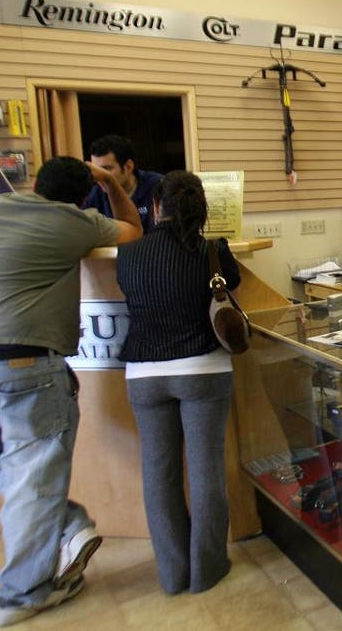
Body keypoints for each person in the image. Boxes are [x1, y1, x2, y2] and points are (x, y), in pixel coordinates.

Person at [0, 156, 143, 627]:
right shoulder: (76, 221)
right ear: (83, 195)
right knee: (32, 478)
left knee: (7, 470)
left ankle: (65, 526)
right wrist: (111, 185)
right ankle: (23, 592)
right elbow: (132, 230)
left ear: (33, 182)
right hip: (23, 364)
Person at [116, 170, 240, 595]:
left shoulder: (128, 254)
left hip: (144, 375)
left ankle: (172, 574)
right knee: (206, 471)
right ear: (201, 209)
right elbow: (233, 285)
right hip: (203, 371)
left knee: (159, 472)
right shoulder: (212, 251)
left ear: (155, 207)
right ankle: (208, 570)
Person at [83, 134, 163, 231]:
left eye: (106, 169)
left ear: (128, 167)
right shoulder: (93, 194)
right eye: (97, 170)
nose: (101, 176)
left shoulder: (159, 186)